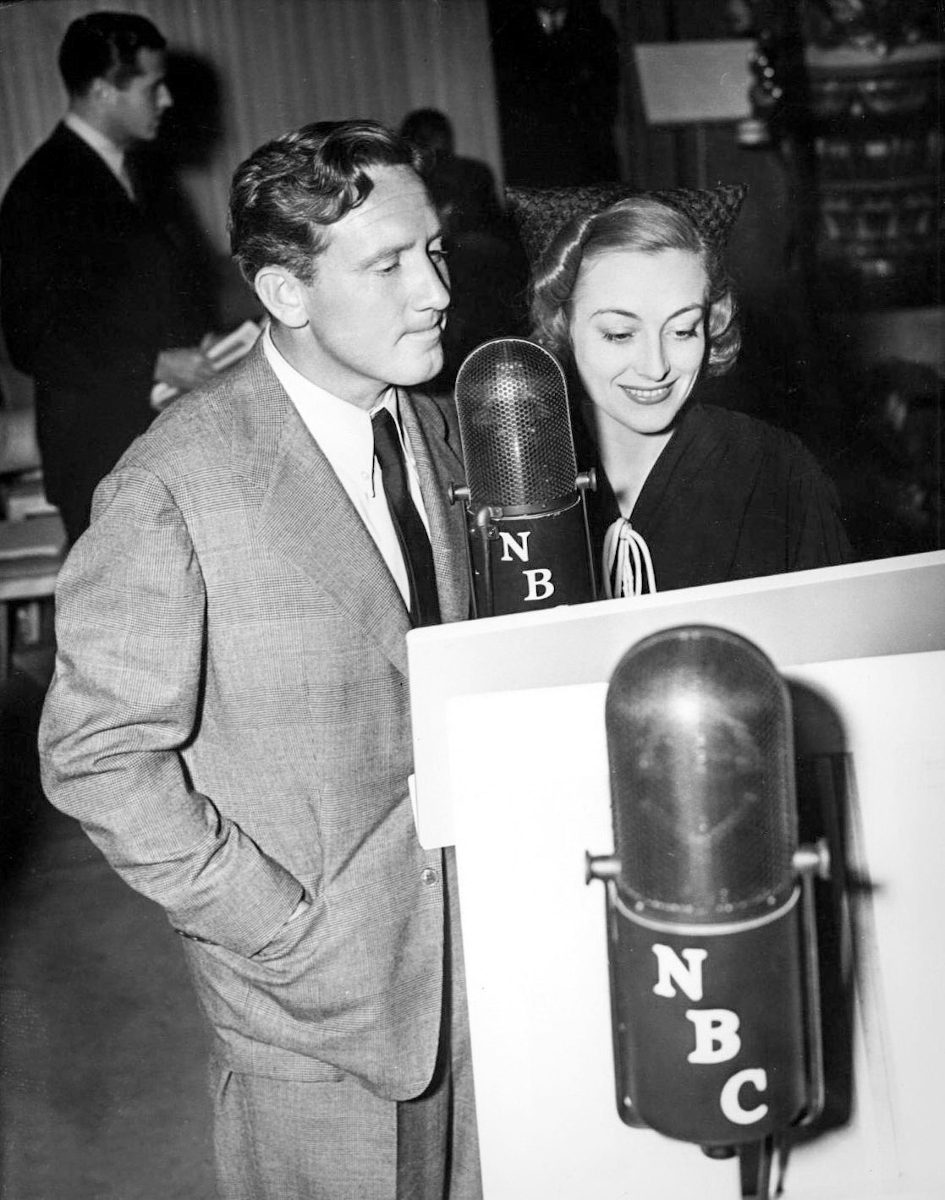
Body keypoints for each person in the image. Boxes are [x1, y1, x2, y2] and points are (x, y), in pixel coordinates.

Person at [39, 120, 481, 1199]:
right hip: (309, 1020)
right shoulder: (174, 482)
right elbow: (96, 758)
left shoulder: (440, 427)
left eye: (433, 252)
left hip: (475, 981)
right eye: (388, 265)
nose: (434, 293)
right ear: (285, 293)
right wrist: (279, 928)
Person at [512, 184, 853, 595]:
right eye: (620, 334)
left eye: (682, 330)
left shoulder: (779, 471)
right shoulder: (516, 471)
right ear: (562, 326)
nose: (656, 368)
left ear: (711, 323)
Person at [0, 11, 215, 544]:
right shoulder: (39, 190)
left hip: (151, 435)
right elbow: (32, 341)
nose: (166, 100)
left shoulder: (135, 172)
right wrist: (157, 362)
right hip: (96, 454)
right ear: (102, 90)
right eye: (153, 85)